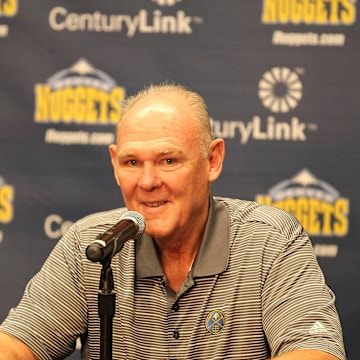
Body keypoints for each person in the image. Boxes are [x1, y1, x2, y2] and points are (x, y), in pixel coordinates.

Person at [0, 83, 346, 359]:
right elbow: (17, 345)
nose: (148, 181)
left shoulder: (271, 241)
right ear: (114, 164)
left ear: (212, 160)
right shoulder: (92, 244)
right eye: (132, 162)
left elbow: (313, 352)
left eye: (167, 160)